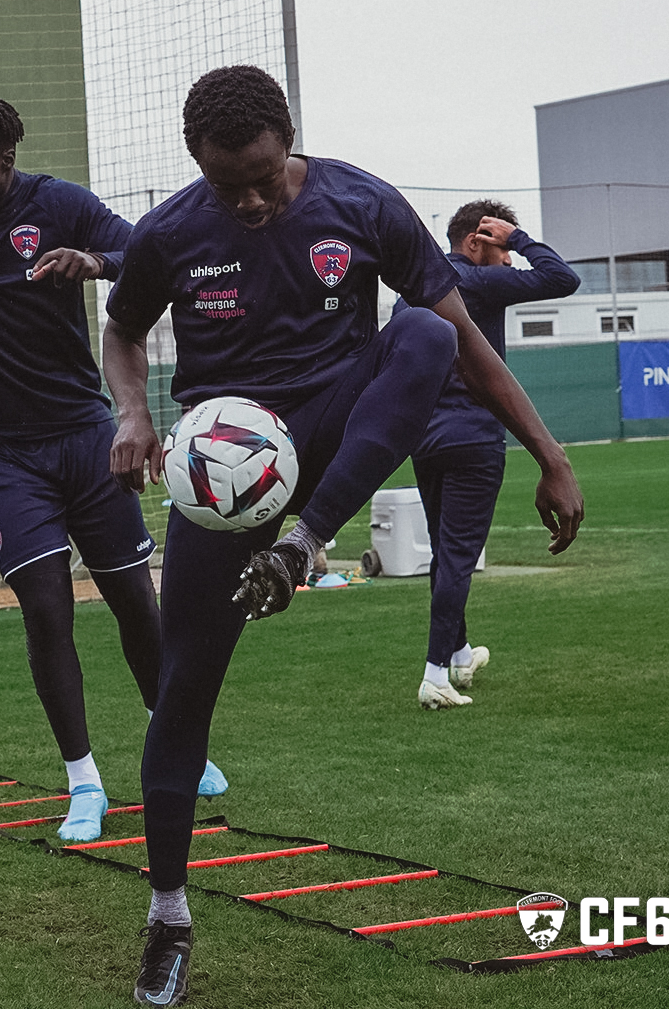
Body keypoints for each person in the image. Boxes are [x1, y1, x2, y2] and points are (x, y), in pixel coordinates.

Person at [101, 66, 583, 1005]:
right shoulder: (168, 233)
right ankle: (166, 916)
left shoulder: (362, 203)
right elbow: (121, 334)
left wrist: (549, 455)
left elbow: (465, 342)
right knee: (180, 693)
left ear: (290, 139)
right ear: (195, 162)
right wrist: (130, 414)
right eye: (223, 180)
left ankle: (308, 544)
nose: (245, 198)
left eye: (263, 175)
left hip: (331, 434)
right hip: (225, 476)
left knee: (426, 335)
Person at [0, 97, 226, 845]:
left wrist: (93, 262)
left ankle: (176, 740)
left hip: (85, 437)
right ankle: (82, 780)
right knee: (46, 610)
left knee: (131, 598)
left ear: (5, 159)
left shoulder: (59, 204)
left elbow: (142, 254)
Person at [402, 200, 580, 709]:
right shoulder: (478, 280)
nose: (509, 263)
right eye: (502, 250)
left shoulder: (414, 286)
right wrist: (519, 239)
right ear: (476, 241)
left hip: (424, 437)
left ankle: (458, 653)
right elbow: (561, 279)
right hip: (474, 437)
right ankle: (435, 674)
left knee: (444, 551)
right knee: (459, 557)